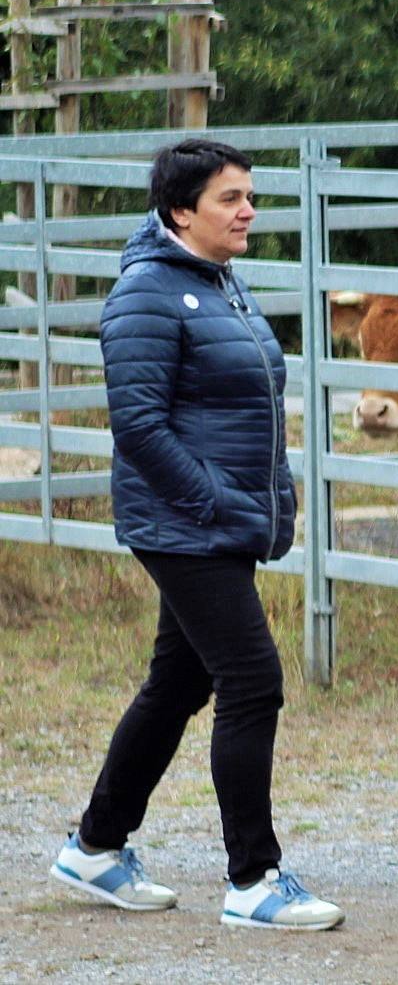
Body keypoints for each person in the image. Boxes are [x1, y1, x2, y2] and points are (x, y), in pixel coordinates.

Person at [49, 139, 343, 932]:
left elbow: (252, 403)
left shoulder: (220, 284)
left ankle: (96, 844)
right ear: (182, 210)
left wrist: (270, 494)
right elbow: (138, 425)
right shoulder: (147, 293)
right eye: (230, 198)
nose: (248, 210)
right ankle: (253, 877)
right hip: (185, 526)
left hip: (221, 521)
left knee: (178, 684)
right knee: (254, 680)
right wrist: (212, 501)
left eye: (250, 195)